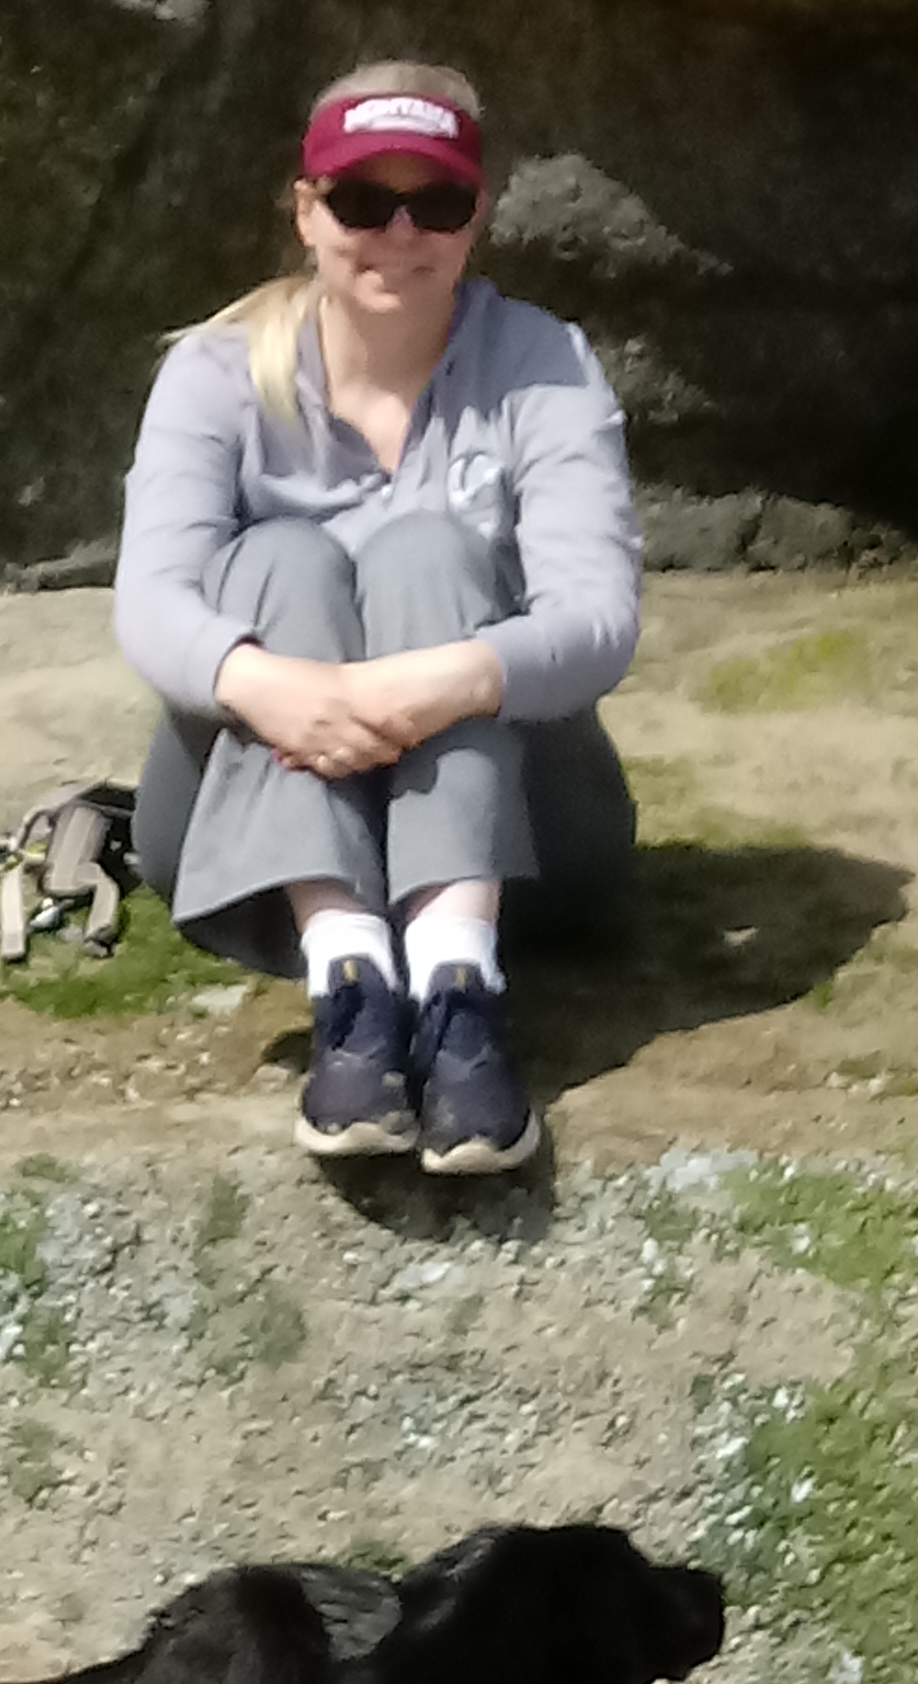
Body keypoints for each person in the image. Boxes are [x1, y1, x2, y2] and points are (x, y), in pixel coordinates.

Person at [114, 61, 638, 1176]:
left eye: (435, 202)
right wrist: (270, 686)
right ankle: (350, 985)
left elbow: (600, 619)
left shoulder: (543, 364)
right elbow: (150, 602)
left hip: (526, 849)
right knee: (282, 557)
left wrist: (439, 681)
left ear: (477, 215)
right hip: (248, 847)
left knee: (430, 550)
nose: (399, 234)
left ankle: (458, 990)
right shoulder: (214, 373)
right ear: (306, 210)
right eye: (362, 201)